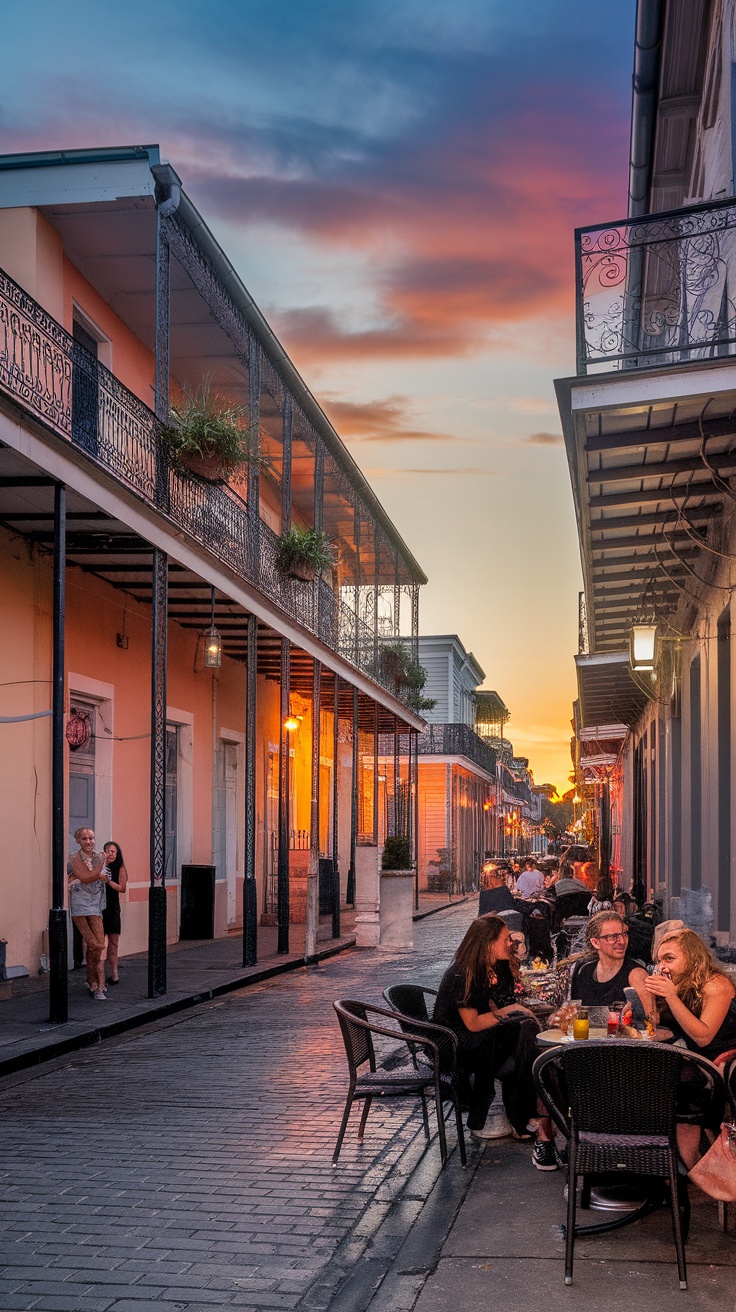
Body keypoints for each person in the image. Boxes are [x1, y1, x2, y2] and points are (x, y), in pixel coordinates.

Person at [433, 915, 558, 1169]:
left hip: (482, 1037)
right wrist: (512, 1009)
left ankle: (525, 1115)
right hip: (460, 1044)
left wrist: (512, 1007)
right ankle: (528, 1115)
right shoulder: (463, 973)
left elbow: (499, 1001)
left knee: (526, 1037)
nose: (510, 943)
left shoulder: (490, 966)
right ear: (488, 943)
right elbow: (473, 1024)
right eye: (505, 939)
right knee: (525, 1037)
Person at [645, 928, 736, 1166]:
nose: (662, 966)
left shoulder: (716, 985)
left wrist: (671, 997)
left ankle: (691, 1166)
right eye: (659, 961)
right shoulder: (679, 984)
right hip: (689, 1058)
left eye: (669, 959)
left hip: (719, 1063)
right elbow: (657, 1026)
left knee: (682, 1084)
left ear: (693, 957)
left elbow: (704, 1037)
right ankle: (657, 1161)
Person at [567, 911, 650, 1011]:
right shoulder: (584, 971)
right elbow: (574, 1012)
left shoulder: (636, 975)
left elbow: (650, 1020)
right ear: (595, 942)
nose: (622, 941)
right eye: (613, 937)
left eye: (624, 935)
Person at [67, 827, 113, 1001]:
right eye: (84, 838)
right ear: (78, 840)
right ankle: (95, 983)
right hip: (78, 905)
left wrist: (101, 873)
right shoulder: (73, 858)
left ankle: (92, 979)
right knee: (93, 943)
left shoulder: (99, 857)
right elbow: (86, 877)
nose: (89, 842)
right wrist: (100, 868)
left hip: (95, 904)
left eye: (91, 838)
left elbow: (106, 878)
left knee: (99, 945)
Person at [102, 841, 128, 985]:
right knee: (100, 943)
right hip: (100, 907)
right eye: (109, 851)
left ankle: (115, 973)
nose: (111, 854)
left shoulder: (120, 868)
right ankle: (101, 974)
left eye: (114, 851)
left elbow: (122, 888)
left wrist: (108, 881)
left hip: (112, 907)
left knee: (113, 942)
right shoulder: (100, 866)